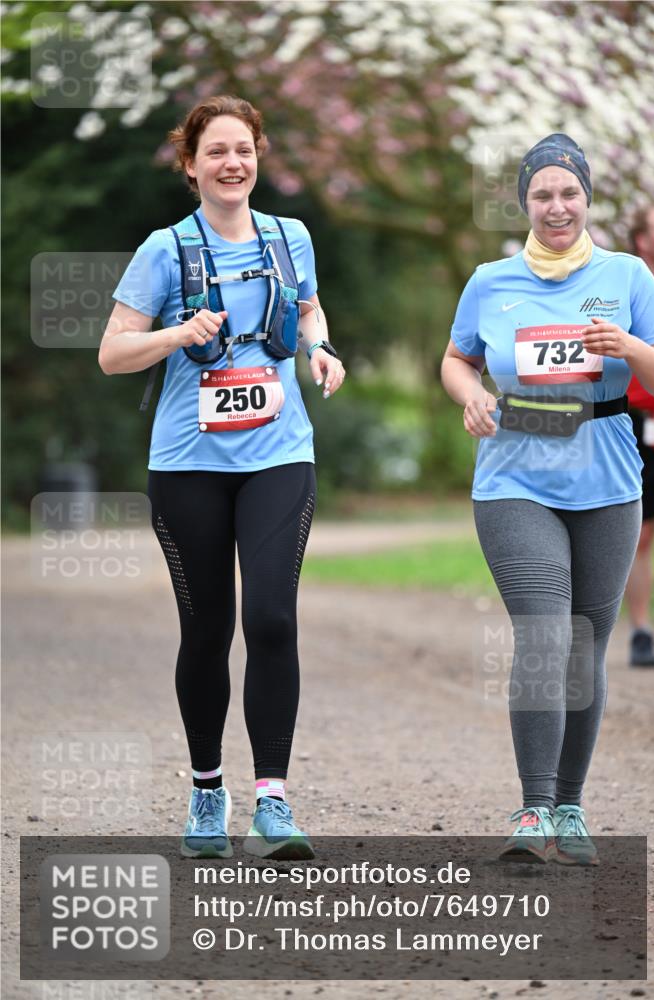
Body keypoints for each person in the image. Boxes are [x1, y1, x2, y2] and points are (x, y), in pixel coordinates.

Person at [99, 95, 344, 860]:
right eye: (216, 152)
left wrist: (320, 348)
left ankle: (273, 800)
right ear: (191, 164)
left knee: (271, 618)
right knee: (207, 629)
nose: (231, 163)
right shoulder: (163, 250)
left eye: (243, 149)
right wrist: (179, 331)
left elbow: (307, 308)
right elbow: (113, 353)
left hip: (278, 453)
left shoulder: (288, 236)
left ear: (258, 155)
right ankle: (208, 792)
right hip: (187, 465)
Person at [441, 134, 654, 866]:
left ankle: (570, 806)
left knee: (584, 649)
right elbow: (456, 358)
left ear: (587, 198)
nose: (556, 205)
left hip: (605, 474)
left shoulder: (628, 275)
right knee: (543, 634)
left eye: (568, 192)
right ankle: (533, 809)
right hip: (513, 472)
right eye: (541, 194)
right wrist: (471, 393)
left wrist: (628, 349)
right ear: (523, 203)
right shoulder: (489, 280)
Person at [625, 205, 654, 668]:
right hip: (640, 422)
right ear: (642, 239)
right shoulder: (627, 290)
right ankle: (640, 629)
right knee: (642, 532)